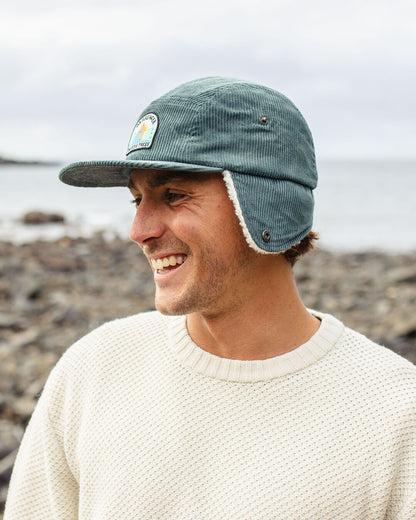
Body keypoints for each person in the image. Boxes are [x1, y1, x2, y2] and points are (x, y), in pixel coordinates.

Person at [4, 77, 416, 520]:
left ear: (267, 205)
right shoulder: (93, 371)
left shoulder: (395, 415)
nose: (139, 231)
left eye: (173, 195)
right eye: (137, 200)